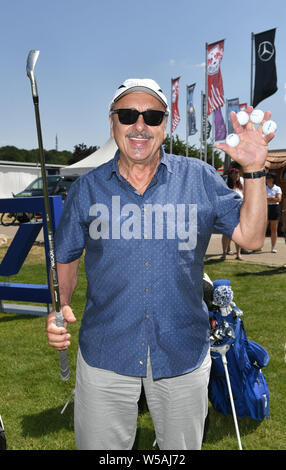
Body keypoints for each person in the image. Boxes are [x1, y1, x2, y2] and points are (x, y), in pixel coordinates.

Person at [46, 78, 275, 450]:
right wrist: (60, 305)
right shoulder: (86, 189)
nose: (140, 125)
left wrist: (253, 171)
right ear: (112, 123)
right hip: (105, 355)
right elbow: (67, 256)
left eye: (152, 116)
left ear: (165, 126)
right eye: (128, 114)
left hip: (183, 354)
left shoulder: (199, 177)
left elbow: (250, 237)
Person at [221, 167, 244, 260]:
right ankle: (224, 253)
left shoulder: (241, 186)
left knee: (238, 233)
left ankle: (238, 254)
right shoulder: (226, 185)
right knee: (226, 233)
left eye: (238, 173)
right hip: (228, 211)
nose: (237, 175)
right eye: (235, 173)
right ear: (230, 175)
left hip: (239, 211)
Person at [266, 172, 282, 253]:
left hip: (274, 208)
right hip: (265, 208)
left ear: (273, 179)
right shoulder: (263, 188)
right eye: (267, 177)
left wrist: (268, 198)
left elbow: (279, 199)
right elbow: (261, 198)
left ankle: (273, 247)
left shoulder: (277, 188)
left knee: (274, 229)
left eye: (269, 178)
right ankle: (258, 246)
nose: (268, 179)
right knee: (262, 229)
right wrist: (272, 197)